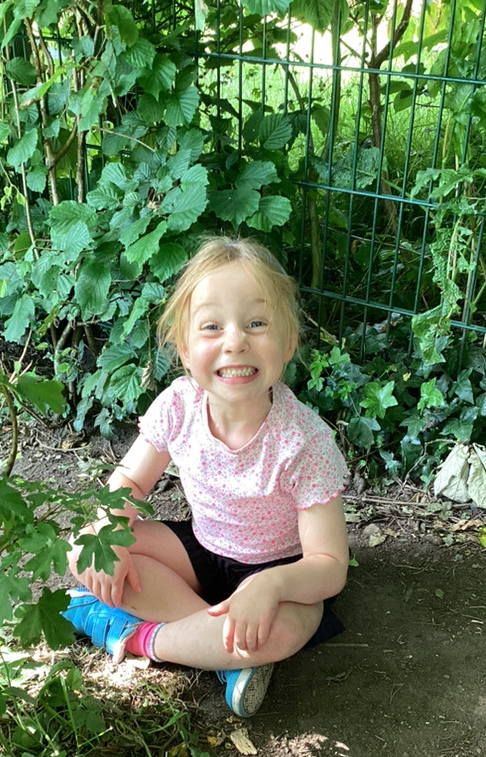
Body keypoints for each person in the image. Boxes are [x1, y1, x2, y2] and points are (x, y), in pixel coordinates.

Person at [62, 236, 349, 716]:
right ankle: (226, 652)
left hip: (280, 573)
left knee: (288, 628)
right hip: (199, 554)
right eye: (212, 327)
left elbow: (329, 565)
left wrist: (271, 587)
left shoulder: (305, 442)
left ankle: (134, 635)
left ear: (288, 342)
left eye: (256, 323)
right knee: (84, 545)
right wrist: (110, 530)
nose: (235, 341)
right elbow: (131, 482)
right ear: (184, 348)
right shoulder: (179, 405)